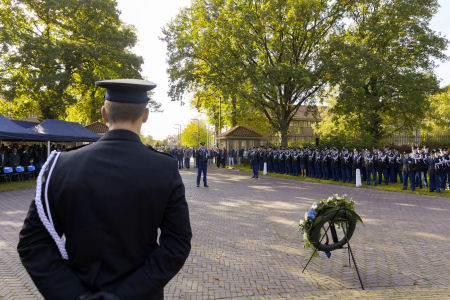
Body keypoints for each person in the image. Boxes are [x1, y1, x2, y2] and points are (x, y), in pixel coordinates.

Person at [17, 79, 192, 300]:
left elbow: (33, 243)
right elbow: (177, 244)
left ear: (104, 114)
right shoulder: (164, 168)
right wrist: (127, 294)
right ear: (145, 115)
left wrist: (74, 296)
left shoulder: (61, 165)